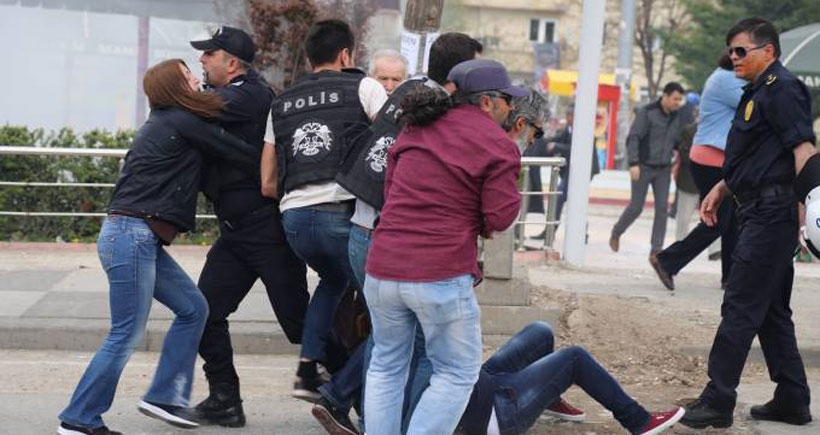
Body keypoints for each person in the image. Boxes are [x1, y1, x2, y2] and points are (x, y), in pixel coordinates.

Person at [57, 59, 260, 435]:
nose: (197, 81)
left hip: (137, 236)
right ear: (175, 87)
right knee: (125, 334)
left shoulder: (169, 120)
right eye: (188, 76)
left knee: (194, 308)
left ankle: (163, 395)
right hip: (130, 235)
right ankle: (79, 418)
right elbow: (239, 153)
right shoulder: (180, 120)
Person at [313, 32, 484, 435]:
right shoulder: (444, 111)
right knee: (424, 348)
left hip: (364, 229)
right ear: (462, 75)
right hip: (397, 236)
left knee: (389, 340)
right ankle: (403, 424)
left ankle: (350, 404)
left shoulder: (412, 92)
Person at [363, 58, 525, 435]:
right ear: (487, 102)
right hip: (439, 272)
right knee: (456, 373)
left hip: (383, 267)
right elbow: (499, 218)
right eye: (506, 100)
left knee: (386, 366)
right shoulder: (497, 144)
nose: (510, 108)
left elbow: (392, 194)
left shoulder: (415, 128)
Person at [680, 18, 814, 429]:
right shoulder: (757, 91)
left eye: (741, 51)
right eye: (731, 51)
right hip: (755, 207)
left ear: (768, 51)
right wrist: (722, 187)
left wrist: (809, 210)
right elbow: (757, 157)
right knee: (771, 310)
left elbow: (804, 149)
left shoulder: (783, 88)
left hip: (772, 215)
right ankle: (792, 398)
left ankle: (717, 399)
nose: (733, 58)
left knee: (739, 303)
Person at [188, 26, 309, 427]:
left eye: (209, 55)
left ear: (232, 62)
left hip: (266, 232)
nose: (202, 60)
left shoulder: (251, 94)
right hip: (236, 233)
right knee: (203, 313)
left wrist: (181, 90)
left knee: (299, 327)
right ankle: (225, 399)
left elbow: (197, 108)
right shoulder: (230, 94)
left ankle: (359, 394)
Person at [262, 19, 388, 401]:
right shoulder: (364, 86)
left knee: (333, 282)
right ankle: (345, 393)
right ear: (346, 54)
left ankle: (308, 368)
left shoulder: (280, 102)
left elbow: (267, 182)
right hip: (341, 217)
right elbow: (393, 142)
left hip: (295, 223)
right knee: (390, 319)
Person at [458, 322, 685, 435]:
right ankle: (639, 422)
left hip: (480, 385)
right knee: (574, 358)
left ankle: (549, 399)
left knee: (541, 331)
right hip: (492, 412)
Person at [649, 54, 744, 291]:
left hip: (717, 158)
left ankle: (729, 278)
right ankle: (667, 260)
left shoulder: (726, 77)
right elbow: (756, 104)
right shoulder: (726, 79)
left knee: (730, 220)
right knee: (719, 220)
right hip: (712, 158)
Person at [610, 82, 685, 255]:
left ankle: (656, 249)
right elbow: (634, 138)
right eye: (675, 99)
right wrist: (633, 163)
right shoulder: (647, 112)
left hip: (663, 170)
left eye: (679, 100)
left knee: (662, 209)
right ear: (665, 96)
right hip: (643, 166)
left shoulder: (676, 116)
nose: (677, 103)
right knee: (636, 207)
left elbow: (674, 139)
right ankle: (617, 232)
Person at [671, 122, 700, 242]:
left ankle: (715, 250)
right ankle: (680, 244)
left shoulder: (722, 130)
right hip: (689, 180)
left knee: (716, 218)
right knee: (684, 218)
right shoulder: (689, 131)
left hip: (713, 181)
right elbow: (684, 154)